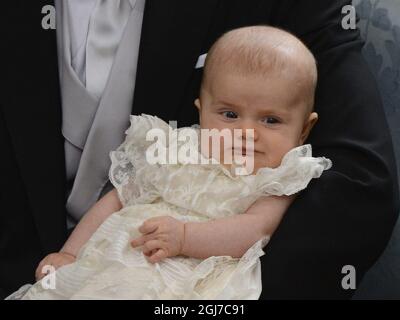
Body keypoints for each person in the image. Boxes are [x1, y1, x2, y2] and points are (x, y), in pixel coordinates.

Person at [1, 0, 398, 299]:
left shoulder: (280, 177)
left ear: (304, 129)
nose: (247, 133)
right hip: (96, 261)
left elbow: (272, 223)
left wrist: (194, 264)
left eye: (271, 121)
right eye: (228, 113)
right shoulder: (173, 148)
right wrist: (69, 256)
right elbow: (120, 196)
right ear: (201, 110)